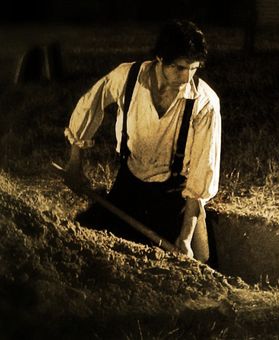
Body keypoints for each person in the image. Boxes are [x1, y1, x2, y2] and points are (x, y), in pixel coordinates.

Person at [63, 20, 221, 262]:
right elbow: (89, 105)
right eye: (179, 68)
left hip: (172, 198)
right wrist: (75, 162)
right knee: (85, 245)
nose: (187, 77)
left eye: (194, 68)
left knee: (187, 264)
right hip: (129, 187)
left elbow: (202, 172)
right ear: (160, 58)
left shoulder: (204, 103)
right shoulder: (127, 78)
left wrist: (186, 238)